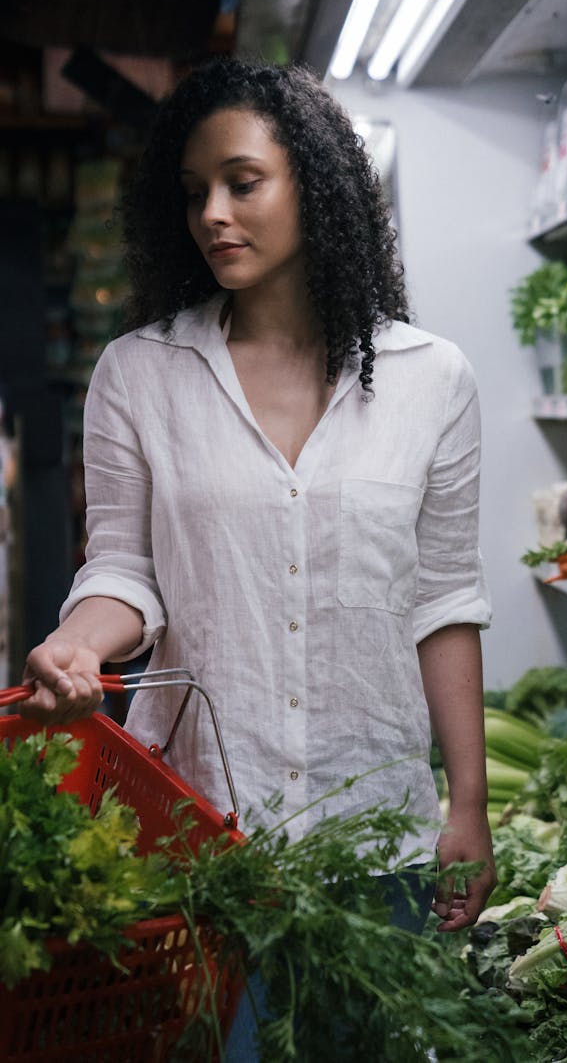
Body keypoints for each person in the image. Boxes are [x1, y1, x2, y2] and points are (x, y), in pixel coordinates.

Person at [20, 57, 496, 1050]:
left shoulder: (430, 379)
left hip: (382, 838)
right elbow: (124, 571)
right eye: (193, 193)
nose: (213, 215)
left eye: (244, 182)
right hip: (203, 838)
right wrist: (79, 643)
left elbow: (444, 602)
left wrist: (468, 805)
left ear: (313, 184)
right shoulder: (140, 374)